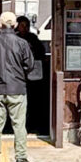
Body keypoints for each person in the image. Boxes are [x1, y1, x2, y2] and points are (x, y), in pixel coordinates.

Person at [0, 12, 41, 162]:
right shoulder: (22, 43)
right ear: (14, 25)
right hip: (17, 88)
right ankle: (21, 158)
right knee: (19, 125)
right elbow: (30, 64)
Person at [16, 13, 52, 143]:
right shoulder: (14, 39)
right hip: (18, 76)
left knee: (34, 103)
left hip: (34, 76)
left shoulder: (33, 38)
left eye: (26, 26)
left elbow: (41, 53)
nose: (24, 28)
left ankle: (34, 126)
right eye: (22, 26)